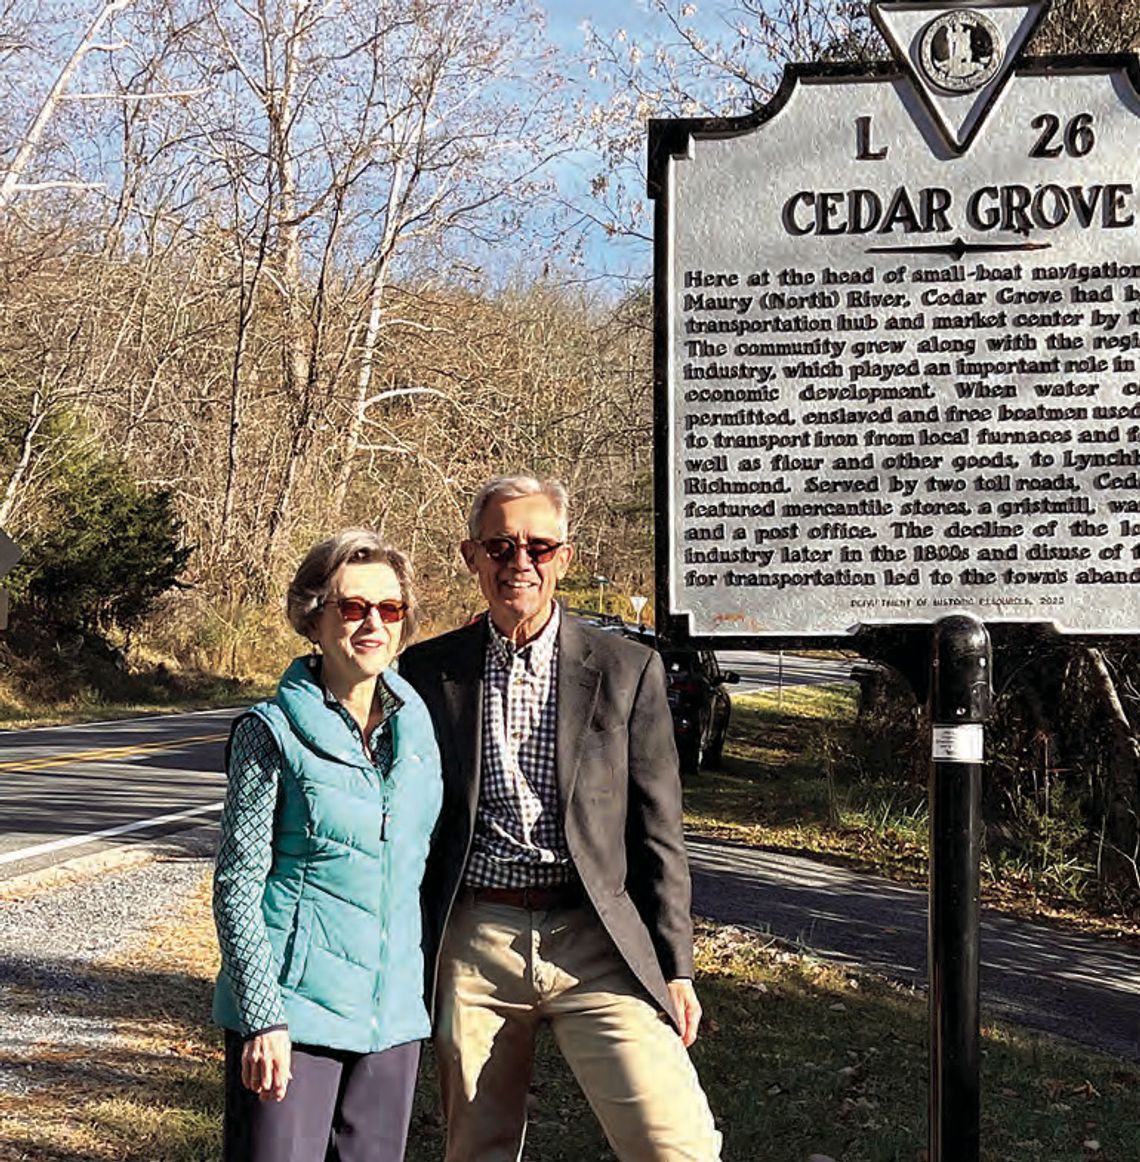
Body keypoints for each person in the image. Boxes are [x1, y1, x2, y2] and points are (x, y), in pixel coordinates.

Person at [400, 475, 721, 1161]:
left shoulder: (625, 669)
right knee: (477, 1148)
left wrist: (677, 965)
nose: (521, 563)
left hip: (593, 937)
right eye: (501, 546)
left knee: (678, 1145)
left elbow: (658, 827)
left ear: (565, 557)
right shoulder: (429, 673)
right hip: (476, 936)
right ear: (472, 557)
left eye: (539, 547)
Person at [212, 530, 442, 1162]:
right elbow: (237, 884)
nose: (373, 623)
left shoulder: (421, 734)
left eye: (389, 609)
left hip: (392, 1020)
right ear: (314, 618)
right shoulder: (271, 732)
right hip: (293, 1021)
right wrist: (262, 1017)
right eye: (352, 607)